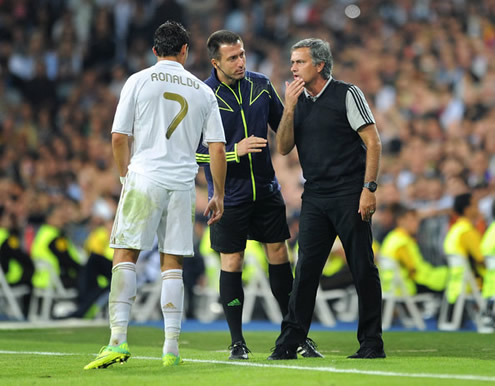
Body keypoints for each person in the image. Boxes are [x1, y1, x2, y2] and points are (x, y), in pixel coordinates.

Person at [84, 20, 227, 370]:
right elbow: (218, 147)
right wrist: (218, 193)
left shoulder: (138, 80)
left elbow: (119, 136)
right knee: (173, 264)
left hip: (145, 176)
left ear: (154, 51)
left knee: (125, 256)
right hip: (182, 183)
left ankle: (117, 340)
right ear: (185, 51)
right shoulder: (203, 91)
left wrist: (124, 175)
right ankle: (172, 348)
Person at [196, 30, 320, 360]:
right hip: (229, 195)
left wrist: (295, 110)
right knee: (232, 261)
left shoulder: (261, 85)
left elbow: (284, 129)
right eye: (232, 58)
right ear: (215, 62)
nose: (240, 62)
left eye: (242, 55)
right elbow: (193, 152)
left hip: (266, 190)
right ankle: (237, 341)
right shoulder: (203, 96)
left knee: (279, 253)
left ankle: (296, 335)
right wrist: (233, 152)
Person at [269, 38, 385, 360]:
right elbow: (282, 147)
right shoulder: (296, 101)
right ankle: (290, 342)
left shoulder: (347, 94)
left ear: (319, 65)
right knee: (305, 269)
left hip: (350, 191)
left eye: (299, 62)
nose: (292, 68)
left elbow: (373, 142)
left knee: (362, 266)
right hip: (316, 195)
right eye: (292, 62)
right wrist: (289, 108)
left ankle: (372, 344)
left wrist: (369, 188)